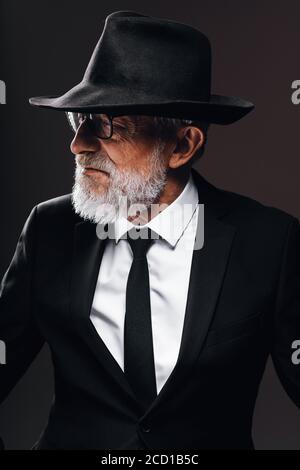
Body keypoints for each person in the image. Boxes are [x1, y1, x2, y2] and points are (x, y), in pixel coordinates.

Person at [0, 10, 299, 450]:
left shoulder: (270, 242)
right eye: (78, 121)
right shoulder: (50, 230)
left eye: (104, 125)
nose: (78, 144)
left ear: (182, 146)